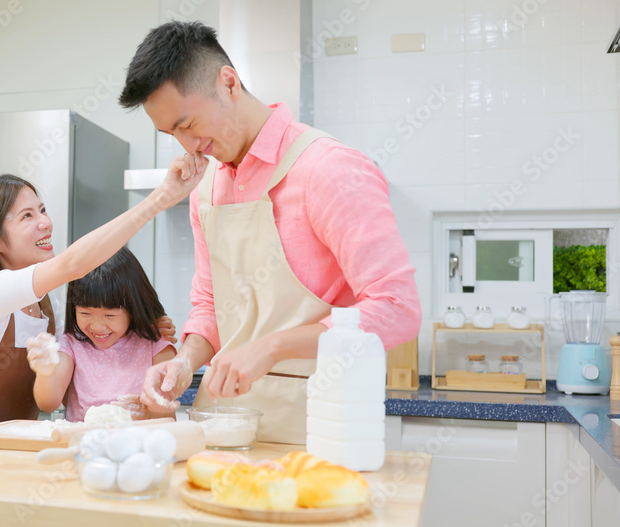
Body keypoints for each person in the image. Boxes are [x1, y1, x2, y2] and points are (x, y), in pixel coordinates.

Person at [119, 21, 422, 443]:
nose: (188, 145)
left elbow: (397, 309)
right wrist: (186, 361)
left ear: (228, 83)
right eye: (172, 134)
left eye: (188, 123)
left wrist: (271, 347)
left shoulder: (330, 169)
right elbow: (212, 304)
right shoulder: (205, 189)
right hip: (222, 425)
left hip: (321, 427)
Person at [0, 171, 198, 424]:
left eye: (42, 210)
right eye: (27, 216)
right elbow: (73, 264)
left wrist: (142, 326)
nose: (46, 223)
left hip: (4, 447)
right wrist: (161, 198)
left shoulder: (46, 305)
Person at [25, 247, 176, 422]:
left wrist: (150, 411)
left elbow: (168, 418)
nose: (97, 326)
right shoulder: (72, 344)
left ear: (134, 308)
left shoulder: (155, 344)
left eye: (110, 315)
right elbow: (48, 404)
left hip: (139, 444)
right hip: (83, 444)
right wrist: (45, 373)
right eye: (85, 314)